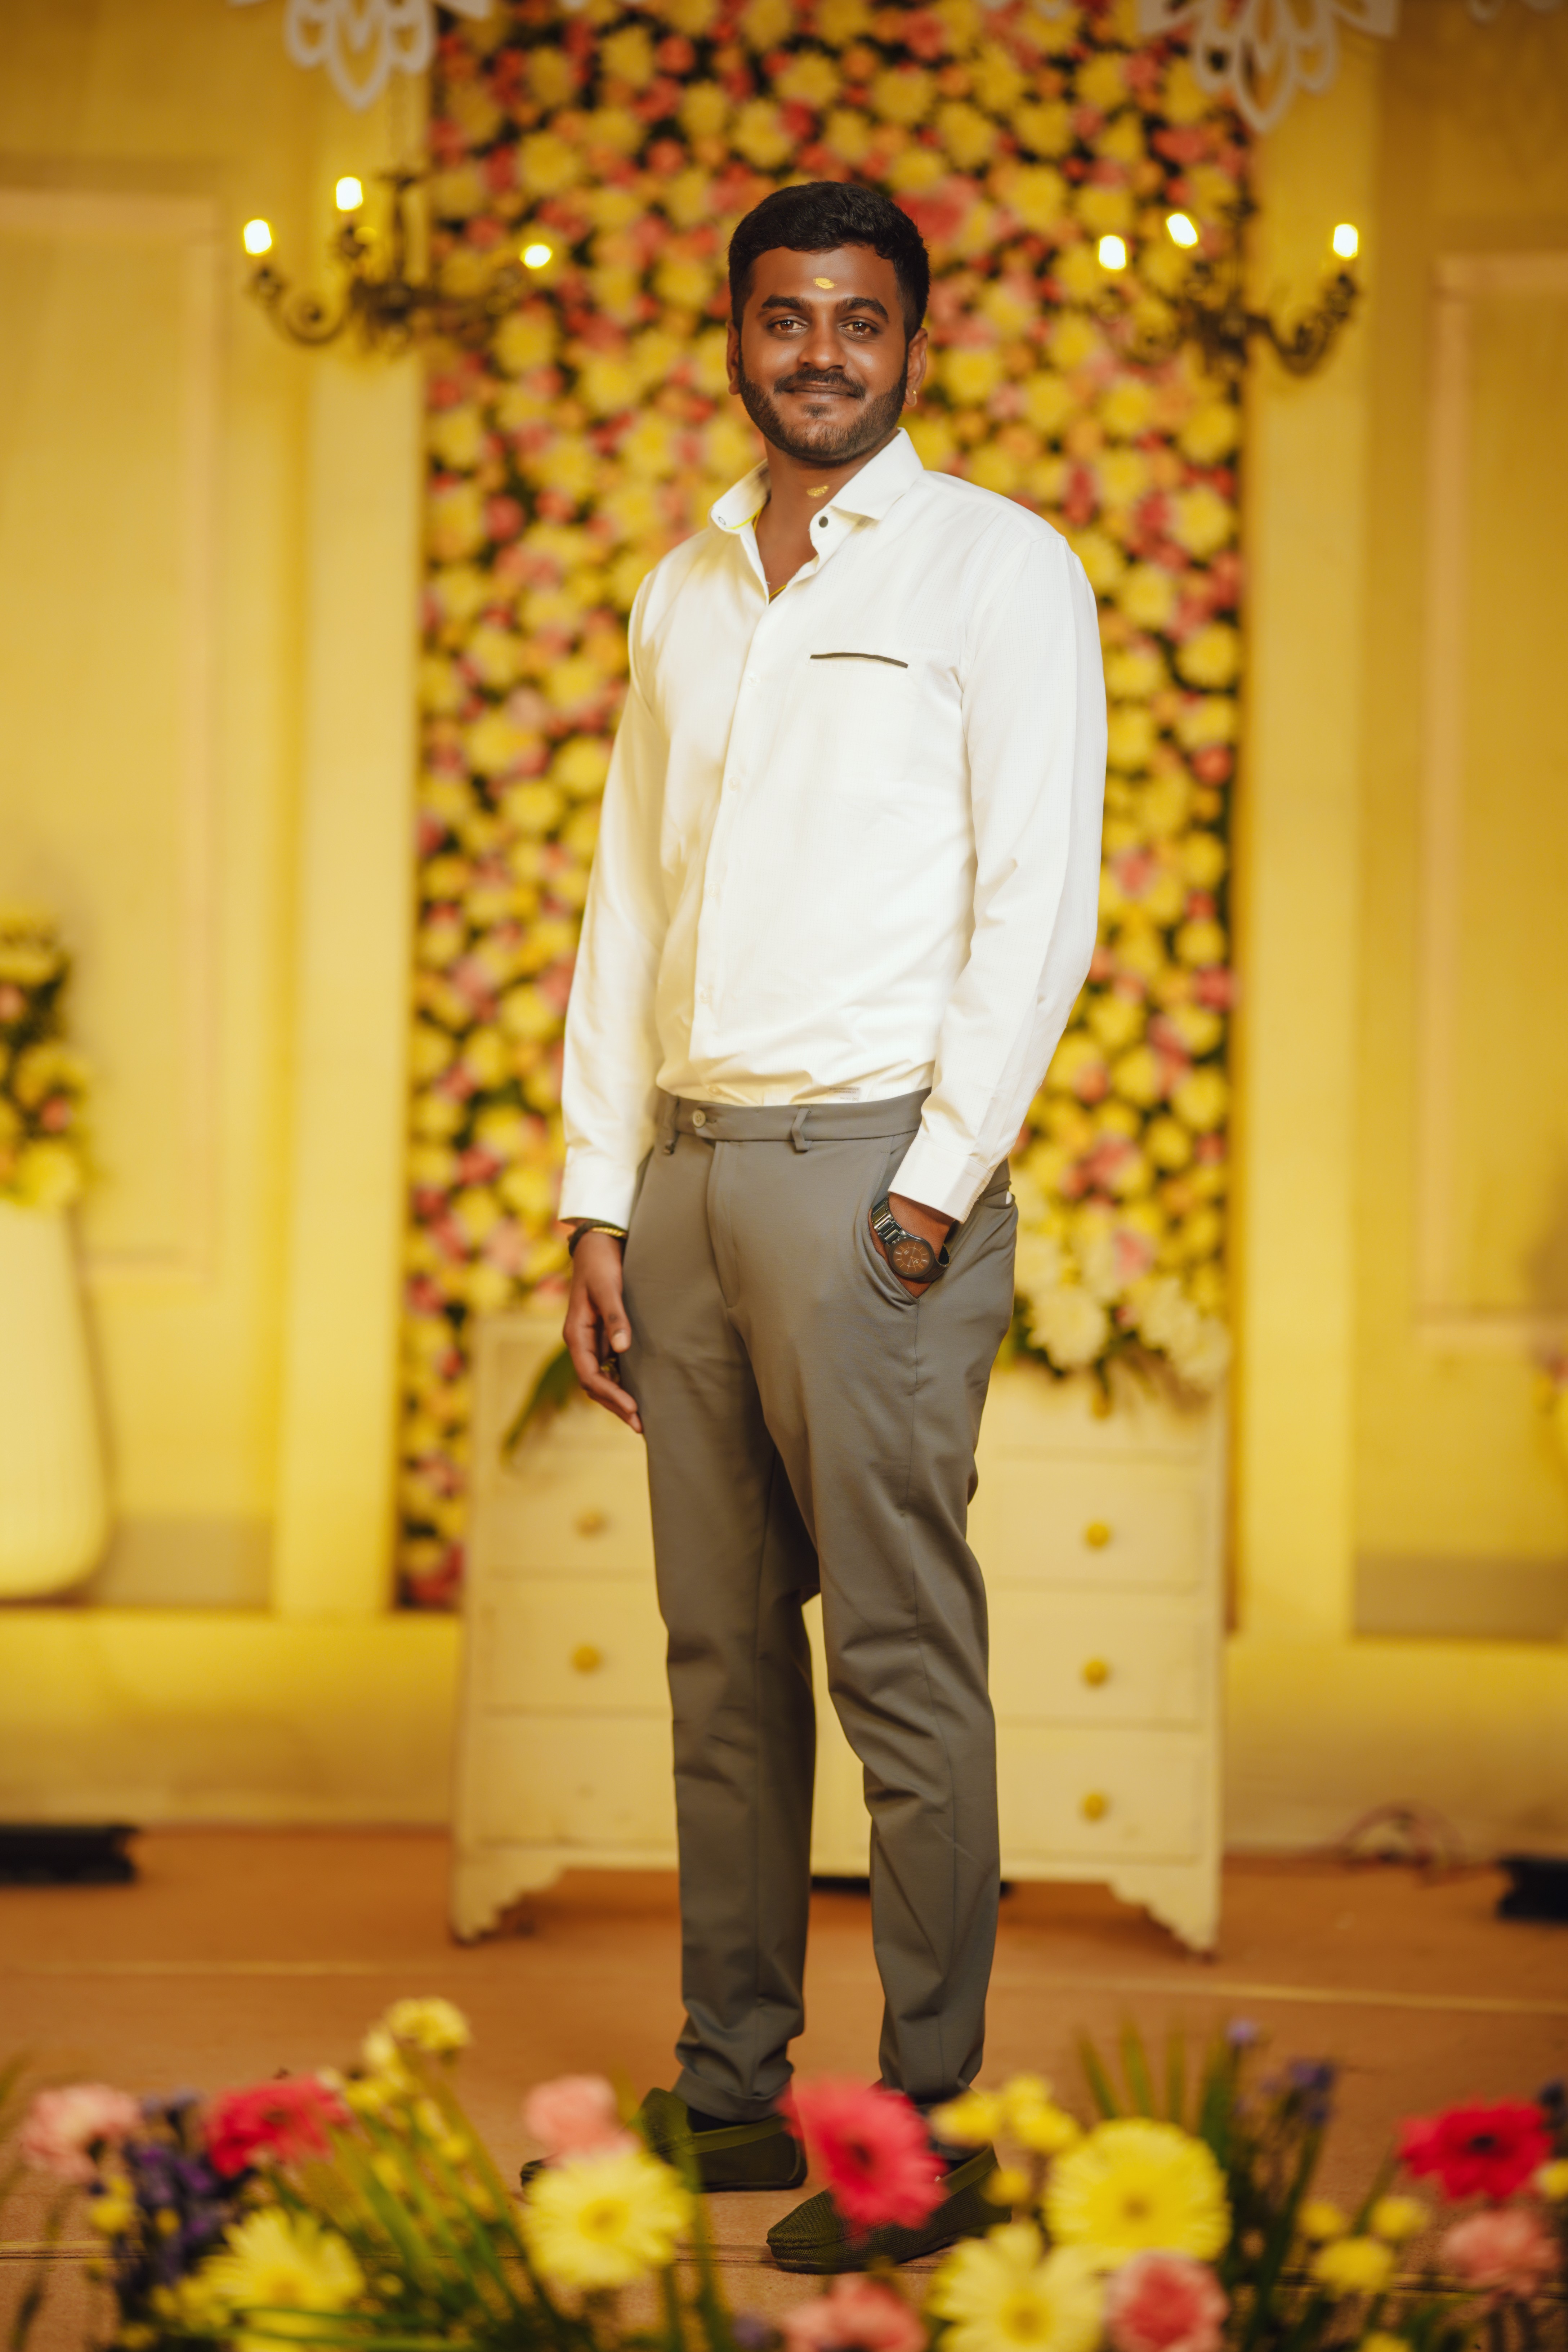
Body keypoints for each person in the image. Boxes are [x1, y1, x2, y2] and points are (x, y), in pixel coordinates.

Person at [558, 180, 1105, 2270]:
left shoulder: (998, 567)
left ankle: (927, 2132)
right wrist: (599, 1194)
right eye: (784, 316)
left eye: (856, 319)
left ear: (912, 341)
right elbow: (630, 900)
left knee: (897, 1654)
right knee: (720, 1661)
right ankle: (730, 2096)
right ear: (737, 333)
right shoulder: (686, 589)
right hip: (690, 1180)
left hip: (877, 1181)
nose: (818, 353)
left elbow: (1035, 897)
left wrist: (933, 1186)